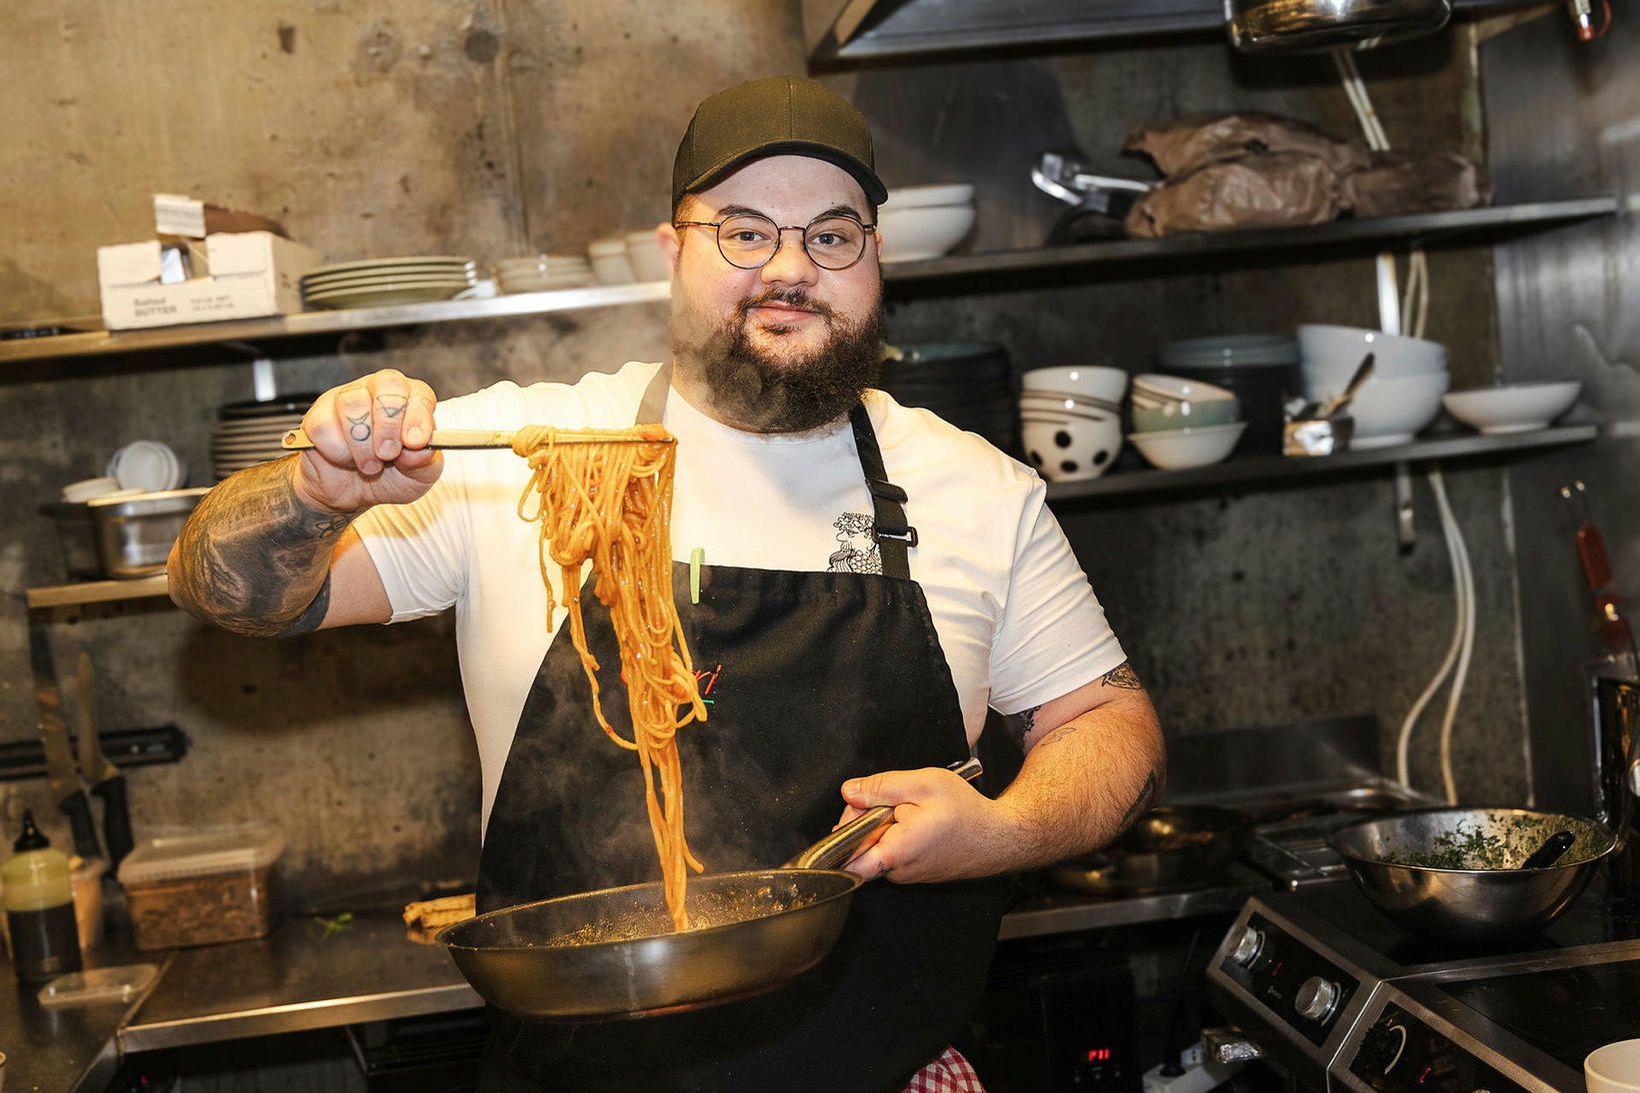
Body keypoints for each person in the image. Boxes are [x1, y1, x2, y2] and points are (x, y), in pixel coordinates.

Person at [169, 75, 1164, 1093]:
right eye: (741, 231)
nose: (788, 269)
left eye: (830, 236)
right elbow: (233, 592)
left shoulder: (972, 489)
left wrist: (1002, 829)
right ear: (669, 252)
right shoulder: (527, 450)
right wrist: (314, 490)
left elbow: (1105, 720)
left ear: (875, 255)